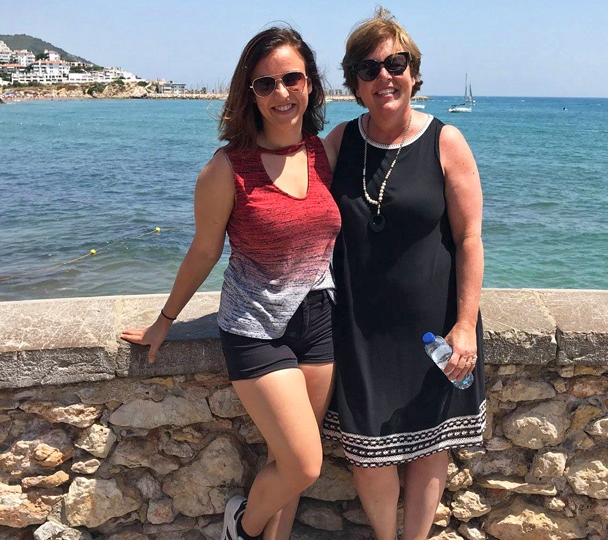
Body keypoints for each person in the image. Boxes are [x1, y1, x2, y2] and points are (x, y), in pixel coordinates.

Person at [121, 27, 340, 540]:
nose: (281, 94)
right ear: (250, 93)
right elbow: (204, 250)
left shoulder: (324, 153)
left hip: (319, 321)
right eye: (266, 84)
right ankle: (241, 524)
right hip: (256, 329)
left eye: (292, 79)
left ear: (310, 84)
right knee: (305, 463)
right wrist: (164, 321)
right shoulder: (227, 168)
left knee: (287, 462)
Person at [321, 8, 486, 540]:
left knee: (429, 446)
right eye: (368, 69)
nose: (383, 77)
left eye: (395, 63)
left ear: (414, 72)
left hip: (433, 328)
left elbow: (469, 239)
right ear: (355, 83)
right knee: (369, 455)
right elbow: (298, 211)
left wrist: (464, 325)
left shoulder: (446, 141)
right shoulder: (338, 143)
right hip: (358, 329)